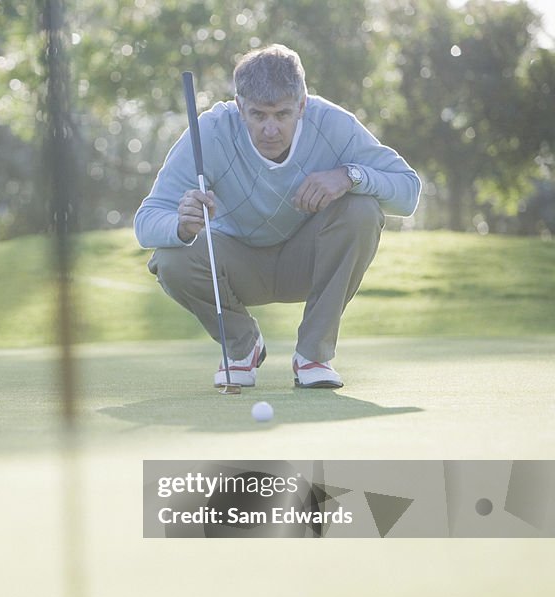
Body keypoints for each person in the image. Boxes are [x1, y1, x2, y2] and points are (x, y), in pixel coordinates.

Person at [135, 44, 421, 389]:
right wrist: (181, 226)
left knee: (361, 207)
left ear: (302, 104)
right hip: (235, 266)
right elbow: (147, 220)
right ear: (240, 107)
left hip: (306, 261)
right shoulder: (210, 131)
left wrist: (349, 176)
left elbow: (408, 192)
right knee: (170, 258)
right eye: (258, 115)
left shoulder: (332, 123)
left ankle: (314, 355)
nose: (270, 129)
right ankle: (243, 347)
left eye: (282, 115)